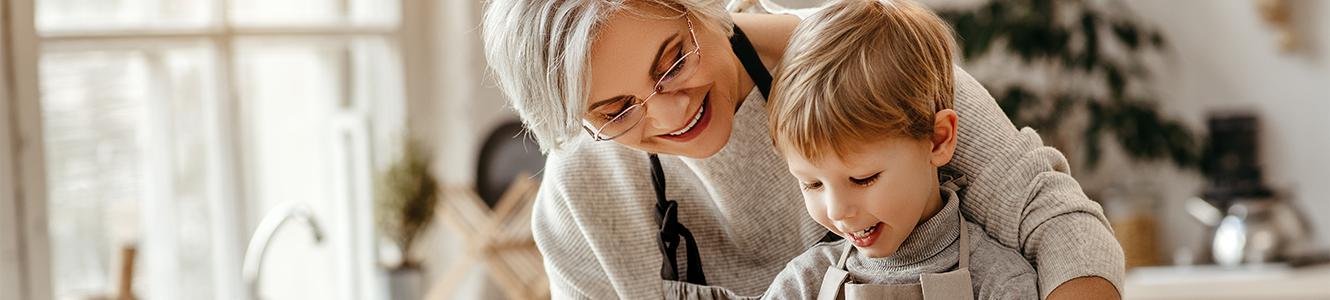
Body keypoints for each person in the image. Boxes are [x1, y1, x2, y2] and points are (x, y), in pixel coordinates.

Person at [479, 0, 1124, 299]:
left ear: (700, 8)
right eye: (614, 111)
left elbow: (1052, 218)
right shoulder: (577, 200)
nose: (670, 112)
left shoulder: (863, 63)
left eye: (672, 60)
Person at [761, 0, 1037, 298]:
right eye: (812, 183)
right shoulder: (802, 285)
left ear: (938, 139)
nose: (836, 210)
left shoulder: (1001, 283)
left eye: (863, 178)